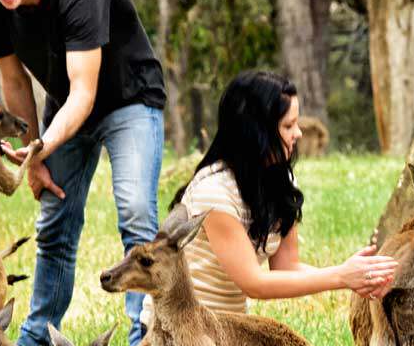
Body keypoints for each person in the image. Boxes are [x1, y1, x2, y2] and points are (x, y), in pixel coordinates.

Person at [0, 0, 166, 346]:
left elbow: (84, 93)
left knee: (135, 213)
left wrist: (40, 148)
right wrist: (31, 158)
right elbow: (15, 84)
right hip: (66, 107)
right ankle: (35, 341)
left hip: (129, 100)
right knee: (54, 221)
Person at [145, 70, 396, 323]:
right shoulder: (214, 193)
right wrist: (340, 276)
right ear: (256, 132)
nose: (298, 133)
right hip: (178, 332)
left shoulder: (281, 181)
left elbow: (287, 268)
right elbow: (254, 283)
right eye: (288, 125)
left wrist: (357, 275)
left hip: (228, 333)